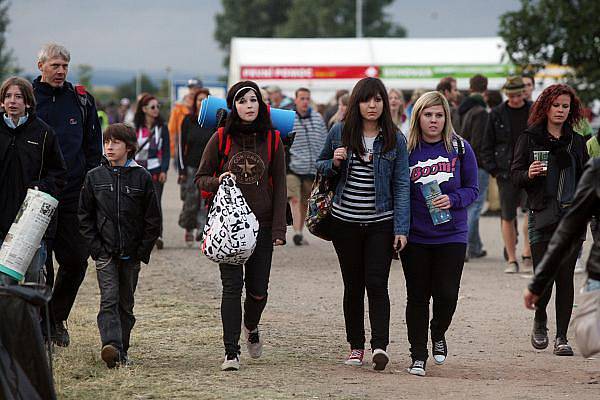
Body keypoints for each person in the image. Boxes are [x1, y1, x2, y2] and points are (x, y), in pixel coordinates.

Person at [316, 77, 410, 371]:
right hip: (345, 222)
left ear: (385, 103)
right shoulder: (340, 131)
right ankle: (356, 346)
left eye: (378, 99)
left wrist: (401, 228)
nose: (373, 105)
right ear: (356, 103)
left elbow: (402, 184)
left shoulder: (395, 138)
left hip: (381, 223)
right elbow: (317, 167)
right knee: (353, 285)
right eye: (366, 99)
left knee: (377, 283)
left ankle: (379, 346)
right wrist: (334, 161)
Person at [195, 81, 287, 371]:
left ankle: (252, 324)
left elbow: (282, 185)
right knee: (232, 287)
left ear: (261, 105)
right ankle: (231, 351)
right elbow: (200, 177)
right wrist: (218, 178)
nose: (249, 105)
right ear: (233, 106)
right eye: (242, 101)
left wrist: (279, 230)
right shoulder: (221, 137)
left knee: (259, 290)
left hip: (261, 222)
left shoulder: (273, 139)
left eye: (254, 100)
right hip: (230, 226)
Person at [401, 91, 478, 376]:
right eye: (427, 114)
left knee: (447, 294)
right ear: (417, 117)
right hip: (416, 235)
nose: (433, 120)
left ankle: (438, 331)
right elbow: (399, 191)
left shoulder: (460, 148)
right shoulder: (406, 150)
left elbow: (473, 188)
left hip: (452, 234)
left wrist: (453, 199)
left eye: (438, 115)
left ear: (446, 118)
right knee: (417, 296)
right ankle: (418, 354)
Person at [33, 43, 102, 346]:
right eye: (55, 65)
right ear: (41, 66)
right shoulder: (27, 98)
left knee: (75, 260)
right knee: (39, 264)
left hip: (74, 194)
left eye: (64, 66)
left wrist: (90, 186)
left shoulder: (81, 101)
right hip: (36, 195)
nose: (60, 71)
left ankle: (55, 317)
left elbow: (93, 149)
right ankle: (40, 325)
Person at [512, 84, 588, 356]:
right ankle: (540, 320)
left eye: (565, 106)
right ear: (546, 107)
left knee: (565, 277)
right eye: (556, 105)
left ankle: (562, 337)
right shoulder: (530, 138)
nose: (560, 110)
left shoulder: (576, 142)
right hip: (541, 212)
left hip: (570, 216)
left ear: (571, 110)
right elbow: (515, 175)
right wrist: (529, 174)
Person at [78, 123, 161, 368]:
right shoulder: (94, 176)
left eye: (115, 142)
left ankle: (121, 351)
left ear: (129, 147)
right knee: (109, 300)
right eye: (106, 142)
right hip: (105, 252)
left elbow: (152, 219)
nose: (109, 147)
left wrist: (142, 251)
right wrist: (96, 248)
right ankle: (110, 345)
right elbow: (84, 216)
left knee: (126, 303)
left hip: (132, 254)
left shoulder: (142, 177)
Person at [0, 77, 66, 284]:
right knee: (3, 284)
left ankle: (34, 318)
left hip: (30, 224)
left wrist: (39, 188)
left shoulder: (44, 133)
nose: (12, 101)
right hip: (0, 220)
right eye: (8, 96)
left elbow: (59, 173)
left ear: (28, 102)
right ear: (2, 102)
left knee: (33, 281)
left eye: (18, 97)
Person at [480, 76, 532, 273]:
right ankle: (511, 258)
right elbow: (487, 144)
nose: (516, 99)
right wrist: (494, 170)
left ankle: (527, 252)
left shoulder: (534, 110)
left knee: (531, 211)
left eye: (518, 95)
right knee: (507, 215)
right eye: (511, 95)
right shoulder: (497, 113)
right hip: (505, 171)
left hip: (530, 169)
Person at [288, 87, 328, 245]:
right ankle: (296, 231)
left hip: (312, 169)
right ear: (296, 99)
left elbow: (325, 141)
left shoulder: (318, 119)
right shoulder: (290, 119)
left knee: (305, 201)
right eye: (302, 98)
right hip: (293, 167)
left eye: (307, 98)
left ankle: (299, 231)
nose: (305, 102)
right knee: (295, 199)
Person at [459, 74, 489, 260]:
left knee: (470, 205)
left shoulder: (462, 109)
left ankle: (476, 247)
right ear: (485, 89)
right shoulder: (480, 112)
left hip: (462, 161)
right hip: (477, 162)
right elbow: (478, 141)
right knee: (476, 206)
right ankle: (464, 246)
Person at [133, 94, 170, 249]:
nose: (156, 110)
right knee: (138, 204)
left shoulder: (162, 127)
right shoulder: (135, 128)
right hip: (138, 170)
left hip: (155, 170)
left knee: (155, 203)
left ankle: (158, 234)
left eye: (157, 107)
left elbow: (166, 150)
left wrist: (164, 169)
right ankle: (140, 235)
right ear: (144, 109)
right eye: (152, 107)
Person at [177, 88, 212, 246]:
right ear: (195, 102)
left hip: (207, 168)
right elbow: (180, 146)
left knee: (205, 199)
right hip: (191, 166)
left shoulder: (213, 121)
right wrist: (182, 169)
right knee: (191, 199)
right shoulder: (188, 121)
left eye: (205, 100)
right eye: (199, 100)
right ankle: (189, 228)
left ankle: (202, 228)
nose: (202, 103)